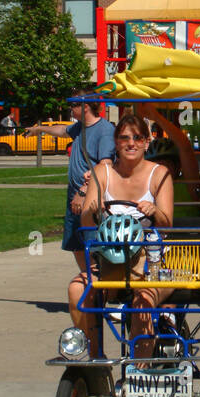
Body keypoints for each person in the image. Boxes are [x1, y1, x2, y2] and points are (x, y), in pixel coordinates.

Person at [73, 112, 174, 358]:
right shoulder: (103, 172)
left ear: (147, 142)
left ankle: (139, 369)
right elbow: (86, 221)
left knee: (142, 301)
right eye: (125, 138)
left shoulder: (160, 174)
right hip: (111, 262)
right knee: (77, 289)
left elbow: (167, 224)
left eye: (138, 138)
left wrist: (155, 212)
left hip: (151, 262)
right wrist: (93, 209)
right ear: (116, 142)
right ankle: (95, 358)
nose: (131, 144)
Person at [31, 99, 115, 270]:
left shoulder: (104, 130)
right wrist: (39, 129)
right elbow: (62, 130)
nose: (70, 109)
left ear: (85, 107)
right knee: (76, 244)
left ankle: (98, 285)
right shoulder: (79, 128)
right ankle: (88, 282)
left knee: (92, 245)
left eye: (74, 105)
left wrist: (84, 191)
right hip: (74, 196)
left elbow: (105, 165)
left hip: (90, 198)